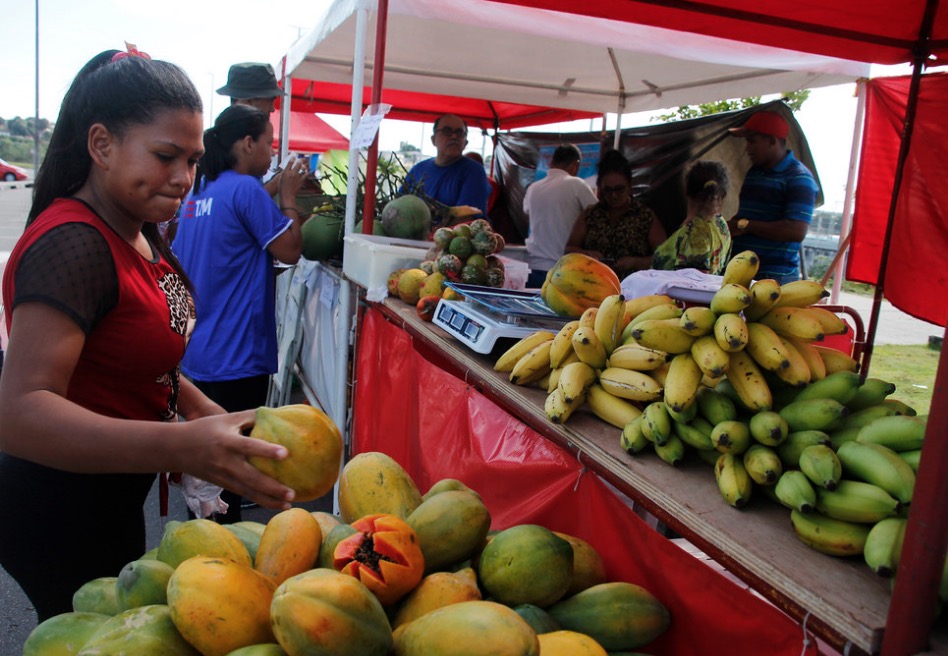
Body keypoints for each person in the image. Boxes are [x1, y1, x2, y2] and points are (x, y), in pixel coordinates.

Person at [0, 48, 294, 624]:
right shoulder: (74, 243)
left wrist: (205, 411)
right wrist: (182, 445)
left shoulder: (138, 230)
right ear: (102, 145)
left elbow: (138, 349)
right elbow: (20, 411)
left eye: (192, 159)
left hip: (110, 490)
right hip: (56, 504)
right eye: (166, 156)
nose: (184, 178)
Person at [172, 104, 308, 523]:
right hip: (238, 352)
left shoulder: (202, 189)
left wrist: (271, 186)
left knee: (211, 460)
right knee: (233, 461)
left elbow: (240, 206)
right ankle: (223, 551)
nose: (272, 152)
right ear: (247, 144)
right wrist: (287, 196)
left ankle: (204, 529)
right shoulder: (245, 190)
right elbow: (290, 249)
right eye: (268, 143)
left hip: (200, 351)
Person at [726, 110, 819, 283]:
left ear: (771, 141)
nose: (747, 148)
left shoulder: (799, 178)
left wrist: (745, 225)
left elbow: (796, 231)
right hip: (740, 269)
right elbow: (748, 215)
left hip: (774, 277)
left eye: (751, 141)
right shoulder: (754, 172)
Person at [565, 149, 666, 278]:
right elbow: (569, 249)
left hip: (634, 288)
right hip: (594, 285)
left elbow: (664, 257)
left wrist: (636, 262)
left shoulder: (645, 216)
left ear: (629, 186)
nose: (614, 195)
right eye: (608, 190)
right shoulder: (591, 214)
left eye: (619, 189)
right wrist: (587, 254)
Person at [217, 62, 300, 199]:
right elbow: (243, 204)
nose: (273, 109)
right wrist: (279, 182)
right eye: (270, 101)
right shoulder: (226, 142)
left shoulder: (228, 136)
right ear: (248, 102)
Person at [523, 144, 598, 287]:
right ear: (576, 165)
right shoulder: (577, 184)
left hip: (533, 267)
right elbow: (598, 214)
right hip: (563, 270)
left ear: (552, 162)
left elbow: (527, 211)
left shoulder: (534, 188)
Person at [401, 115, 491, 224]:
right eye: (446, 131)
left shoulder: (474, 172)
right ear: (433, 140)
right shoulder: (418, 169)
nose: (454, 136)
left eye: (459, 133)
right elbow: (398, 204)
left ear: (465, 143)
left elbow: (467, 221)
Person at [651, 160, 732, 274]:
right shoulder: (721, 224)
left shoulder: (696, 233)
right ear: (723, 194)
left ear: (686, 189)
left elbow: (692, 284)